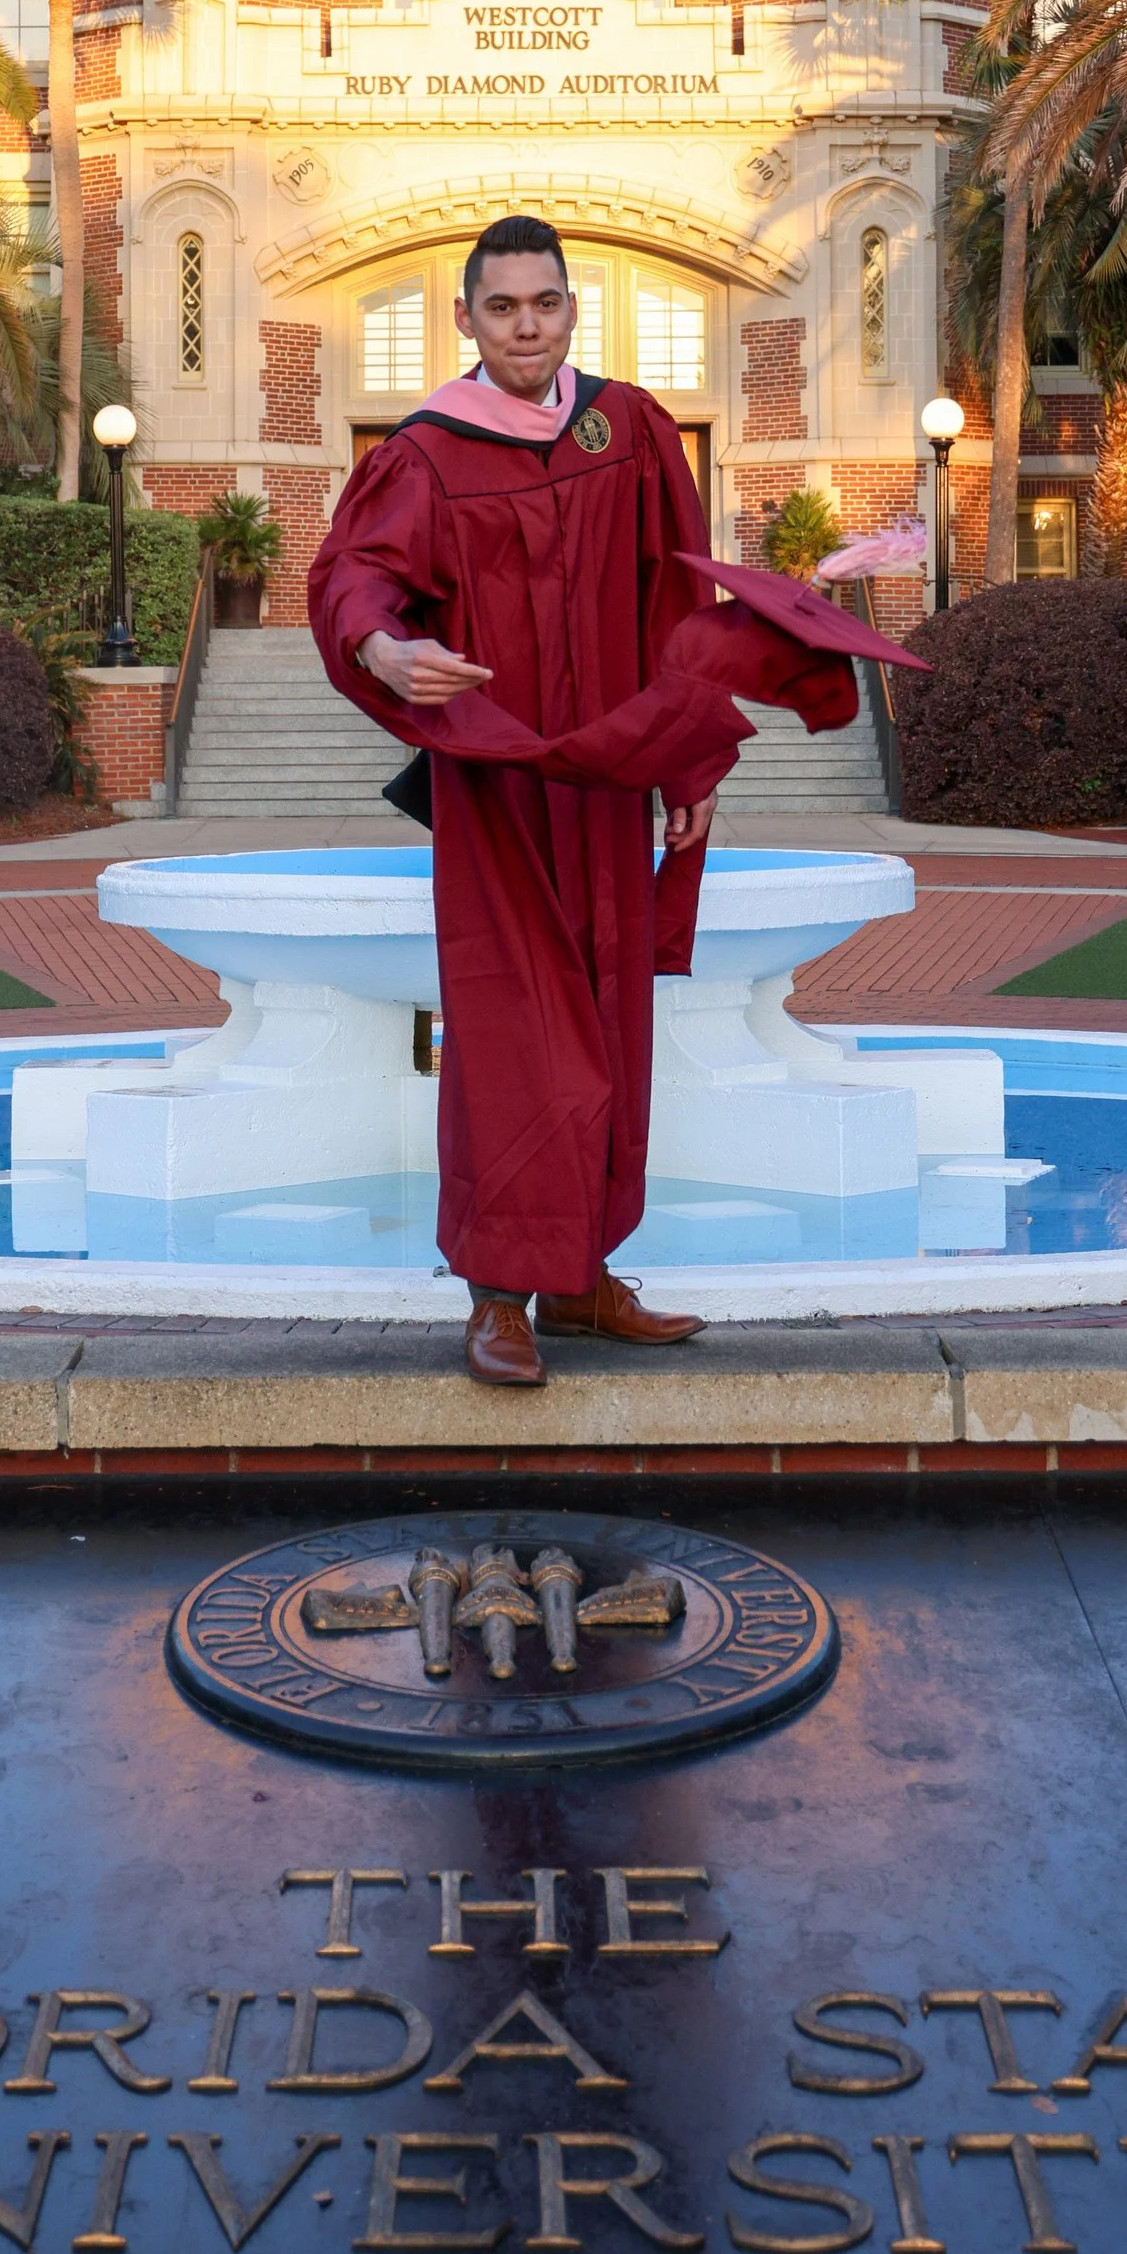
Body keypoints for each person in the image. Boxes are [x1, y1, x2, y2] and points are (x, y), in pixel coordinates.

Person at [309, 215, 929, 1389]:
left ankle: (584, 1271)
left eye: (543, 303)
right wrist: (384, 650)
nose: (526, 325)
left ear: (570, 307)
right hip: (497, 776)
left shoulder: (630, 427)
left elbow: (672, 602)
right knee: (507, 1025)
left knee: (608, 1021)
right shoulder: (427, 452)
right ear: (465, 318)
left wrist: (686, 764)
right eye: (502, 307)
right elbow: (354, 576)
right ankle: (500, 1291)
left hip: (611, 776)